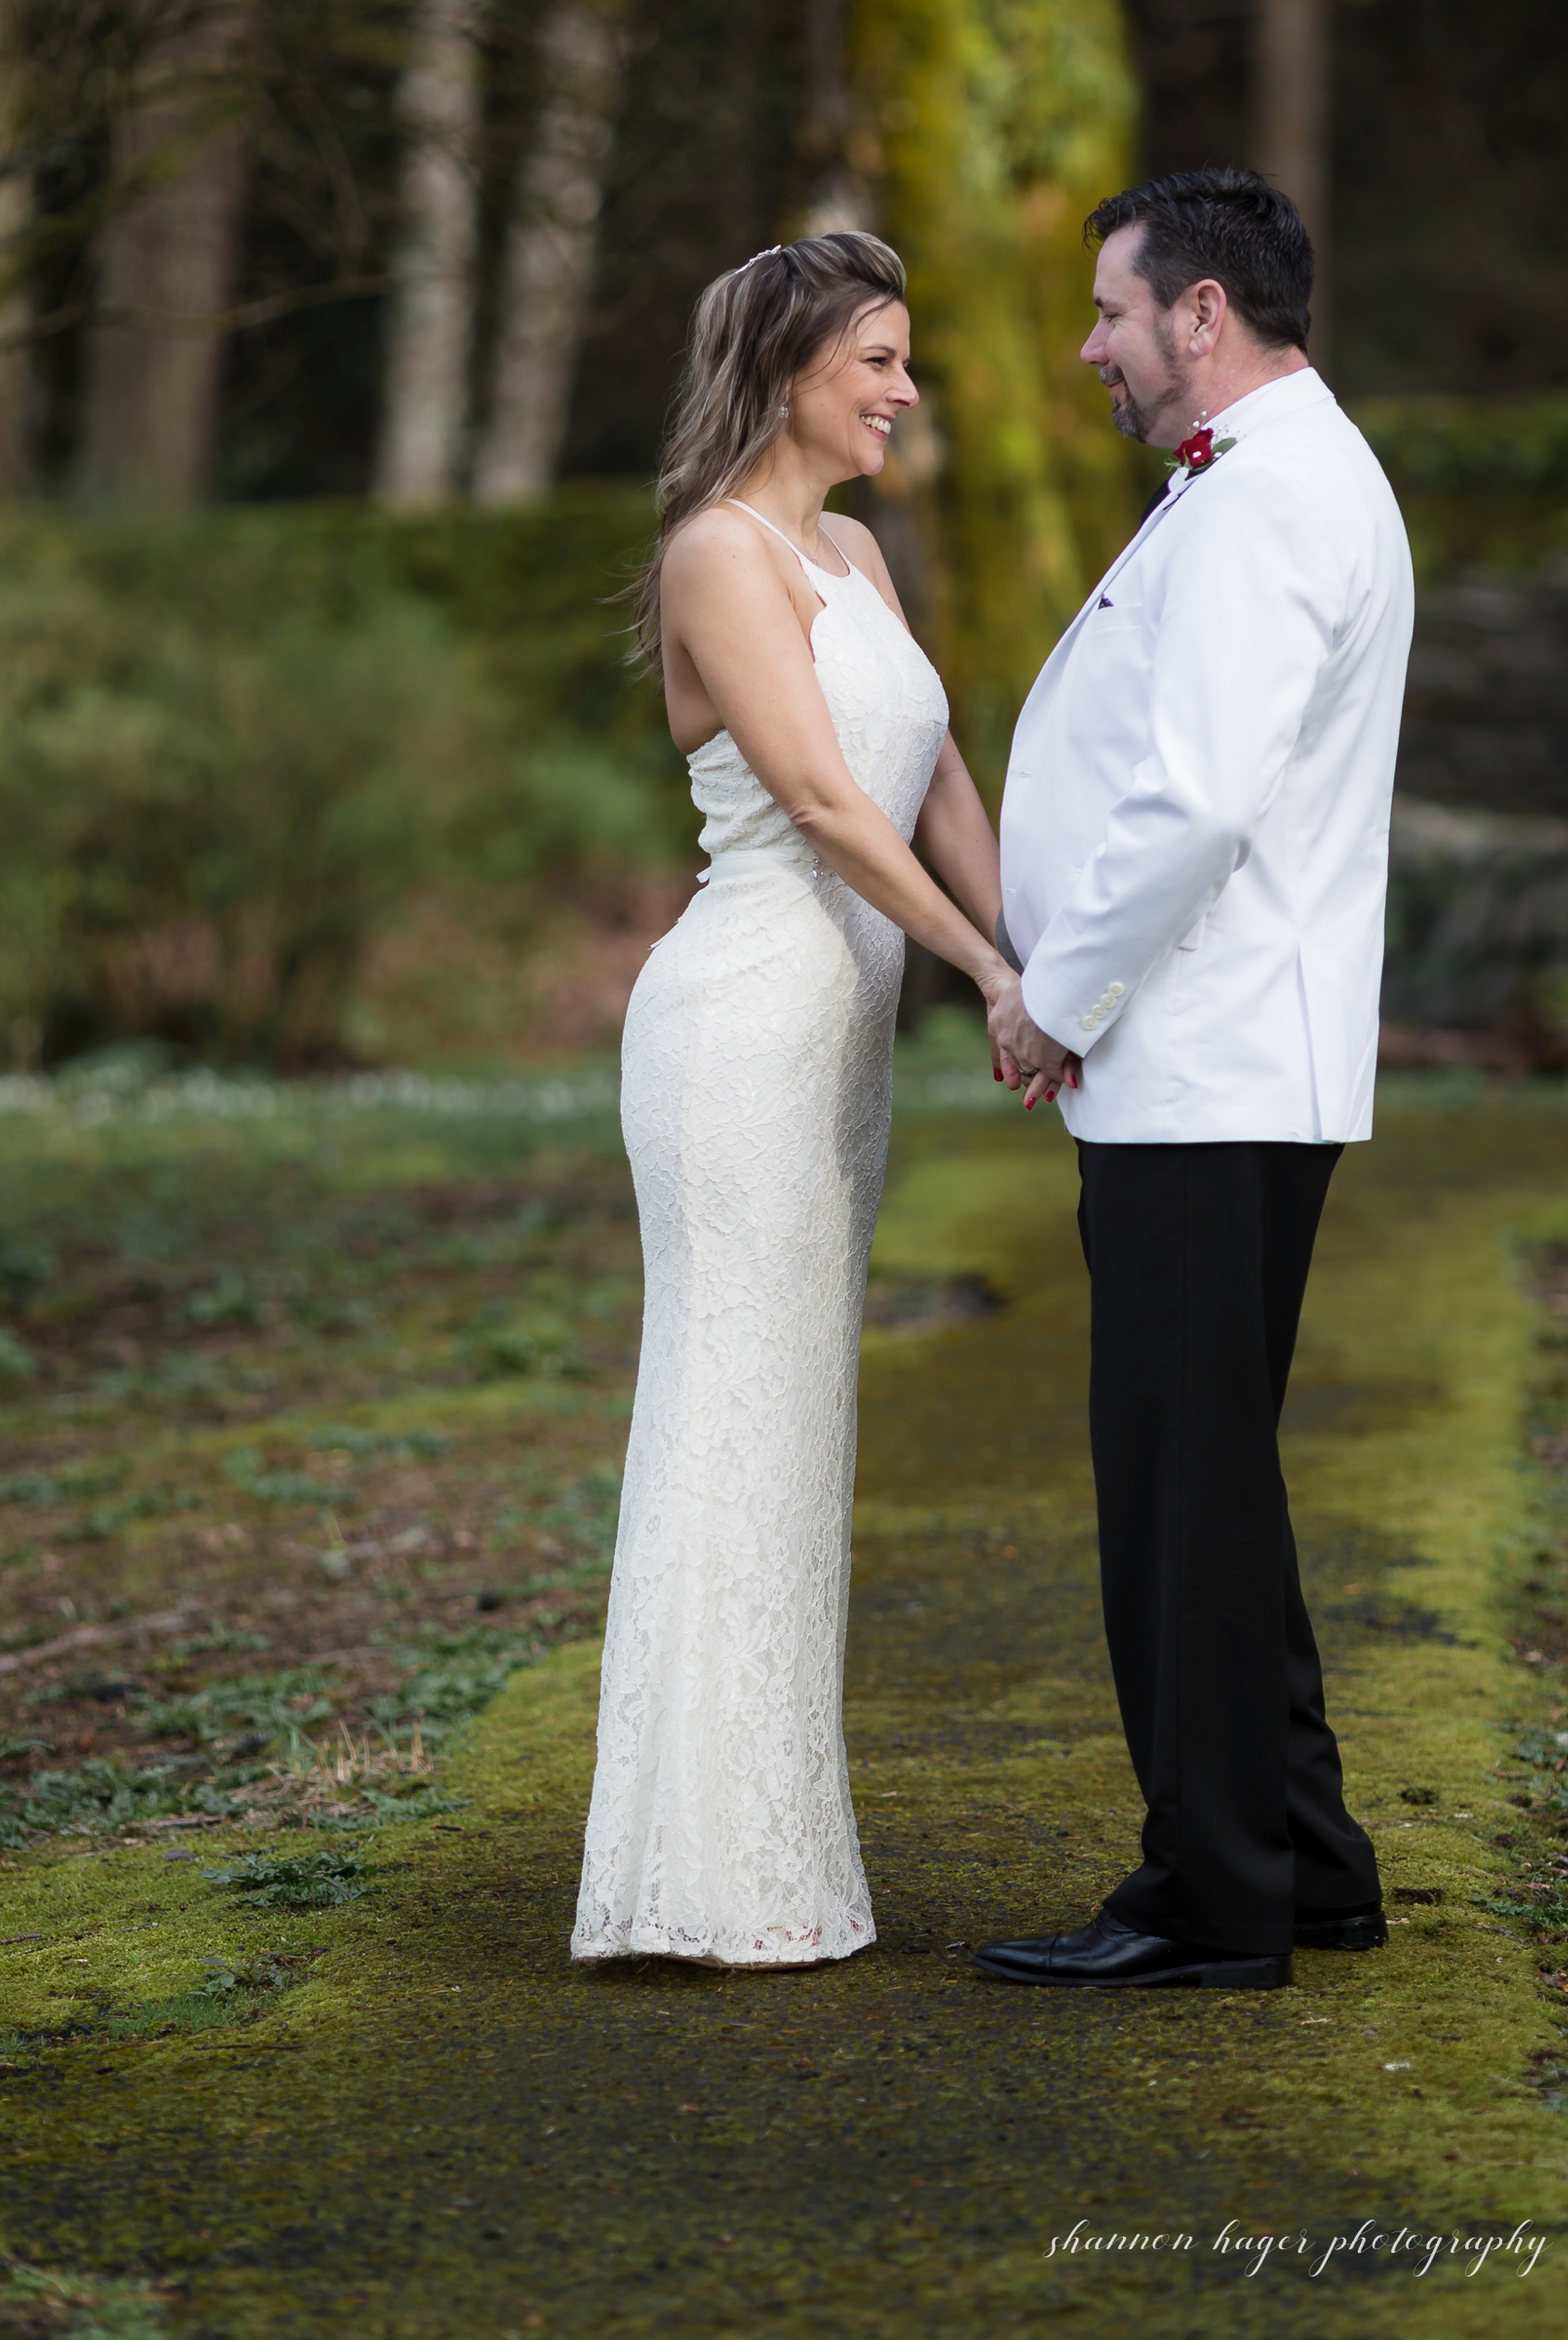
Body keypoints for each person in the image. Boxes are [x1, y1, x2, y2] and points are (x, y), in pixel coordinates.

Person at [978, 169, 1415, 1992]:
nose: (1088, 343)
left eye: (1107, 309)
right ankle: (1297, 1853)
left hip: (1196, 1061)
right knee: (1211, 1476)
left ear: (1201, 314)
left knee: (1174, 1488)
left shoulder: (1261, 503)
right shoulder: (1285, 475)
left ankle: (1211, 1893)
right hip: (1227, 1061)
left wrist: (1052, 993)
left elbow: (1196, 798)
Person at [571, 231, 1014, 1968]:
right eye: (880, 361)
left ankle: (770, 1853)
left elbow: (938, 773)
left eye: (908, 360)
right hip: (742, 1027)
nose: (907, 390)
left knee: (801, 1419)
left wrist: (1044, 947)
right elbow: (832, 807)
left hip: (839, 1045)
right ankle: (685, 1876)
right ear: (788, 372)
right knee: (726, 1406)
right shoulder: (720, 554)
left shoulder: (854, 549)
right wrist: (988, 974)